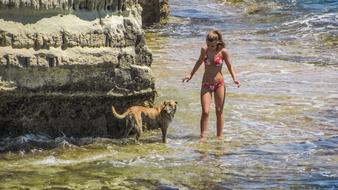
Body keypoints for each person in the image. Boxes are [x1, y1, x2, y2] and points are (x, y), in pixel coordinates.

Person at [182, 30, 240, 142]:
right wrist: (190, 75)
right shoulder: (204, 50)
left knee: (219, 111)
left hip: (219, 84)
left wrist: (235, 78)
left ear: (218, 42)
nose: (210, 47)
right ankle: (203, 137)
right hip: (206, 84)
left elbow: (230, 66)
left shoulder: (223, 52)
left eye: (212, 45)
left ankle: (219, 137)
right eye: (208, 44)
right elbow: (199, 62)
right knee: (205, 111)